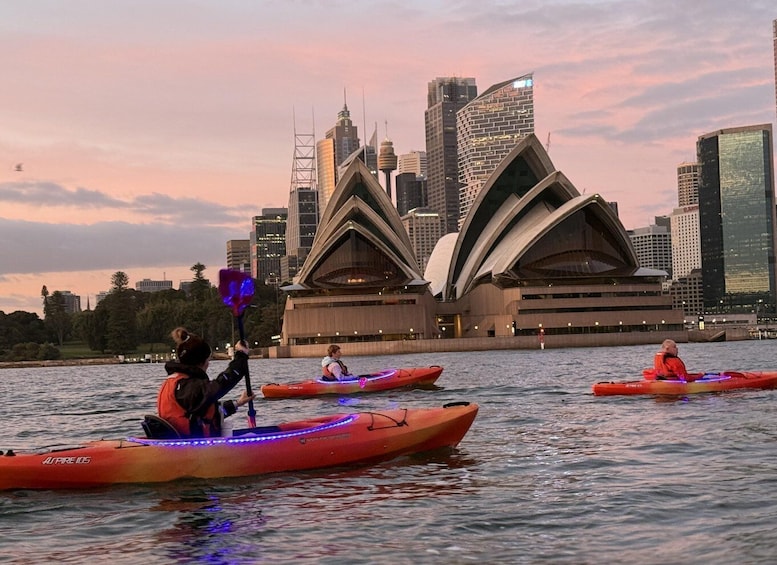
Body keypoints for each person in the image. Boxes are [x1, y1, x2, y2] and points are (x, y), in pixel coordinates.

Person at [158, 327, 255, 438]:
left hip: (187, 445)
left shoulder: (175, 383)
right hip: (194, 448)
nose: (208, 364)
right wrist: (241, 356)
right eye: (208, 360)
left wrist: (237, 403)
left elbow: (209, 412)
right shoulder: (187, 387)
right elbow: (221, 384)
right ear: (201, 362)